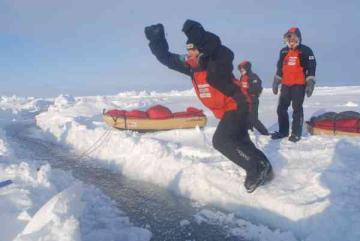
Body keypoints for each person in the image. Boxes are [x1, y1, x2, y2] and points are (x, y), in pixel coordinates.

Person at [144, 20, 273, 193]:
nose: (189, 53)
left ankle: (255, 169)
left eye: (193, 49)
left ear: (202, 50)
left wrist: (198, 33)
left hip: (238, 104)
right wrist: (156, 41)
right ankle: (266, 170)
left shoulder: (216, 60)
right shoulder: (191, 67)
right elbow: (167, 58)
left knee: (221, 141)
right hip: (228, 109)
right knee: (241, 141)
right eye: (188, 50)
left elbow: (221, 49)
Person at [272, 27, 317, 142]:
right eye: (289, 38)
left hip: (299, 85)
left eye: (293, 38)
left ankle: (296, 133)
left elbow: (312, 66)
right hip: (286, 84)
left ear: (298, 38)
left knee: (296, 109)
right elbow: (280, 67)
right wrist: (276, 80)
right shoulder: (283, 51)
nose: (291, 41)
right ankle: (283, 131)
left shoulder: (306, 50)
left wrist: (310, 82)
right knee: (281, 109)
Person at [235, 60, 269, 135]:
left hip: (253, 100)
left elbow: (257, 88)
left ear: (247, 68)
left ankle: (265, 133)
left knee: (253, 119)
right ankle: (250, 132)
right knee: (246, 117)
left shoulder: (253, 76)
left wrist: (247, 91)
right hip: (245, 100)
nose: (241, 71)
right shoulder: (242, 77)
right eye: (240, 69)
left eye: (243, 69)